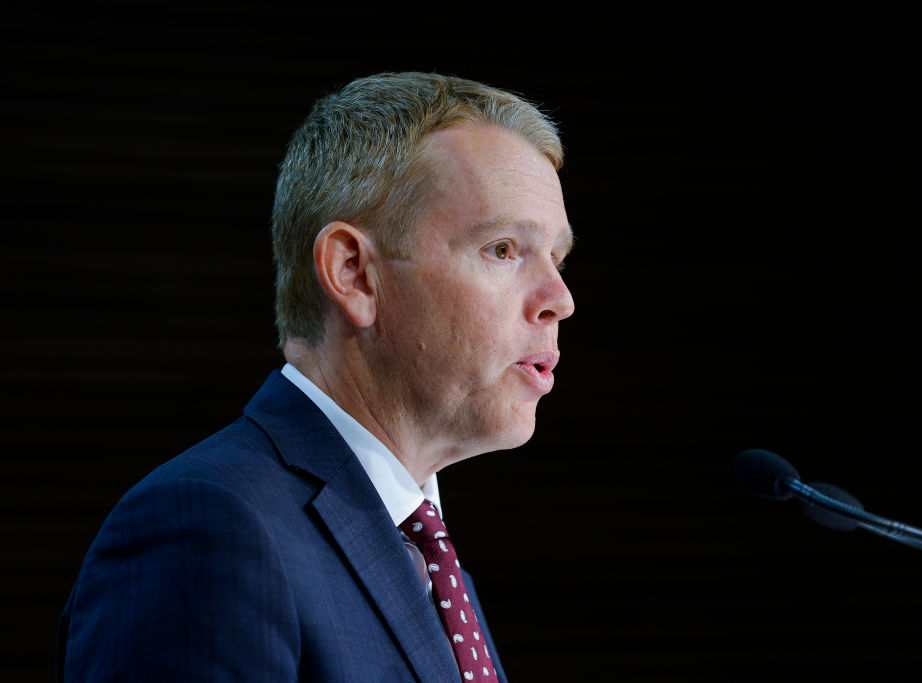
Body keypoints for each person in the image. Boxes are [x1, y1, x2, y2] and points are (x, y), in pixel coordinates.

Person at [57, 72, 575, 682]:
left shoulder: (433, 566)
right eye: (503, 249)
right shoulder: (209, 529)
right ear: (354, 273)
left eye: (558, 258)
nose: (559, 299)